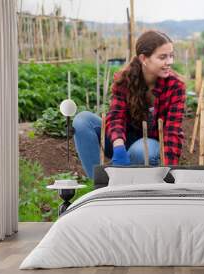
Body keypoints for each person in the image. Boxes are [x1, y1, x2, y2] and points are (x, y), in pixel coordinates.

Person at [73, 30, 186, 178]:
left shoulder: (175, 86)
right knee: (82, 121)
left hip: (151, 144)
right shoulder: (124, 80)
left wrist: (170, 172)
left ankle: (126, 184)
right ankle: (98, 184)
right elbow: (116, 116)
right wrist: (118, 146)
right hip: (123, 139)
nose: (170, 62)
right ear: (144, 58)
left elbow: (172, 132)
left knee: (140, 151)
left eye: (171, 56)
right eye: (163, 57)